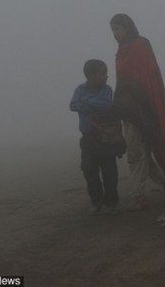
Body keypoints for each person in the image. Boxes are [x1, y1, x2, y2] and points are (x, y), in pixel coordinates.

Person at [110, 13, 165, 211]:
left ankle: (139, 194)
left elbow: (147, 77)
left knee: (140, 152)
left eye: (118, 28)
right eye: (113, 30)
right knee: (138, 153)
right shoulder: (121, 50)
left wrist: (142, 102)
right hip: (128, 109)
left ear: (128, 27)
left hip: (144, 106)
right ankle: (162, 183)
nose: (115, 34)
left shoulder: (140, 45)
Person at [69, 59, 124, 215]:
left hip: (106, 137)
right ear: (90, 76)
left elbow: (106, 105)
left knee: (110, 171)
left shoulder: (107, 90)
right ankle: (96, 200)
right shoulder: (80, 89)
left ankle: (112, 203)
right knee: (88, 169)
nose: (106, 76)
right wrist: (93, 103)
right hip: (87, 137)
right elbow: (72, 105)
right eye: (102, 73)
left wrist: (85, 101)